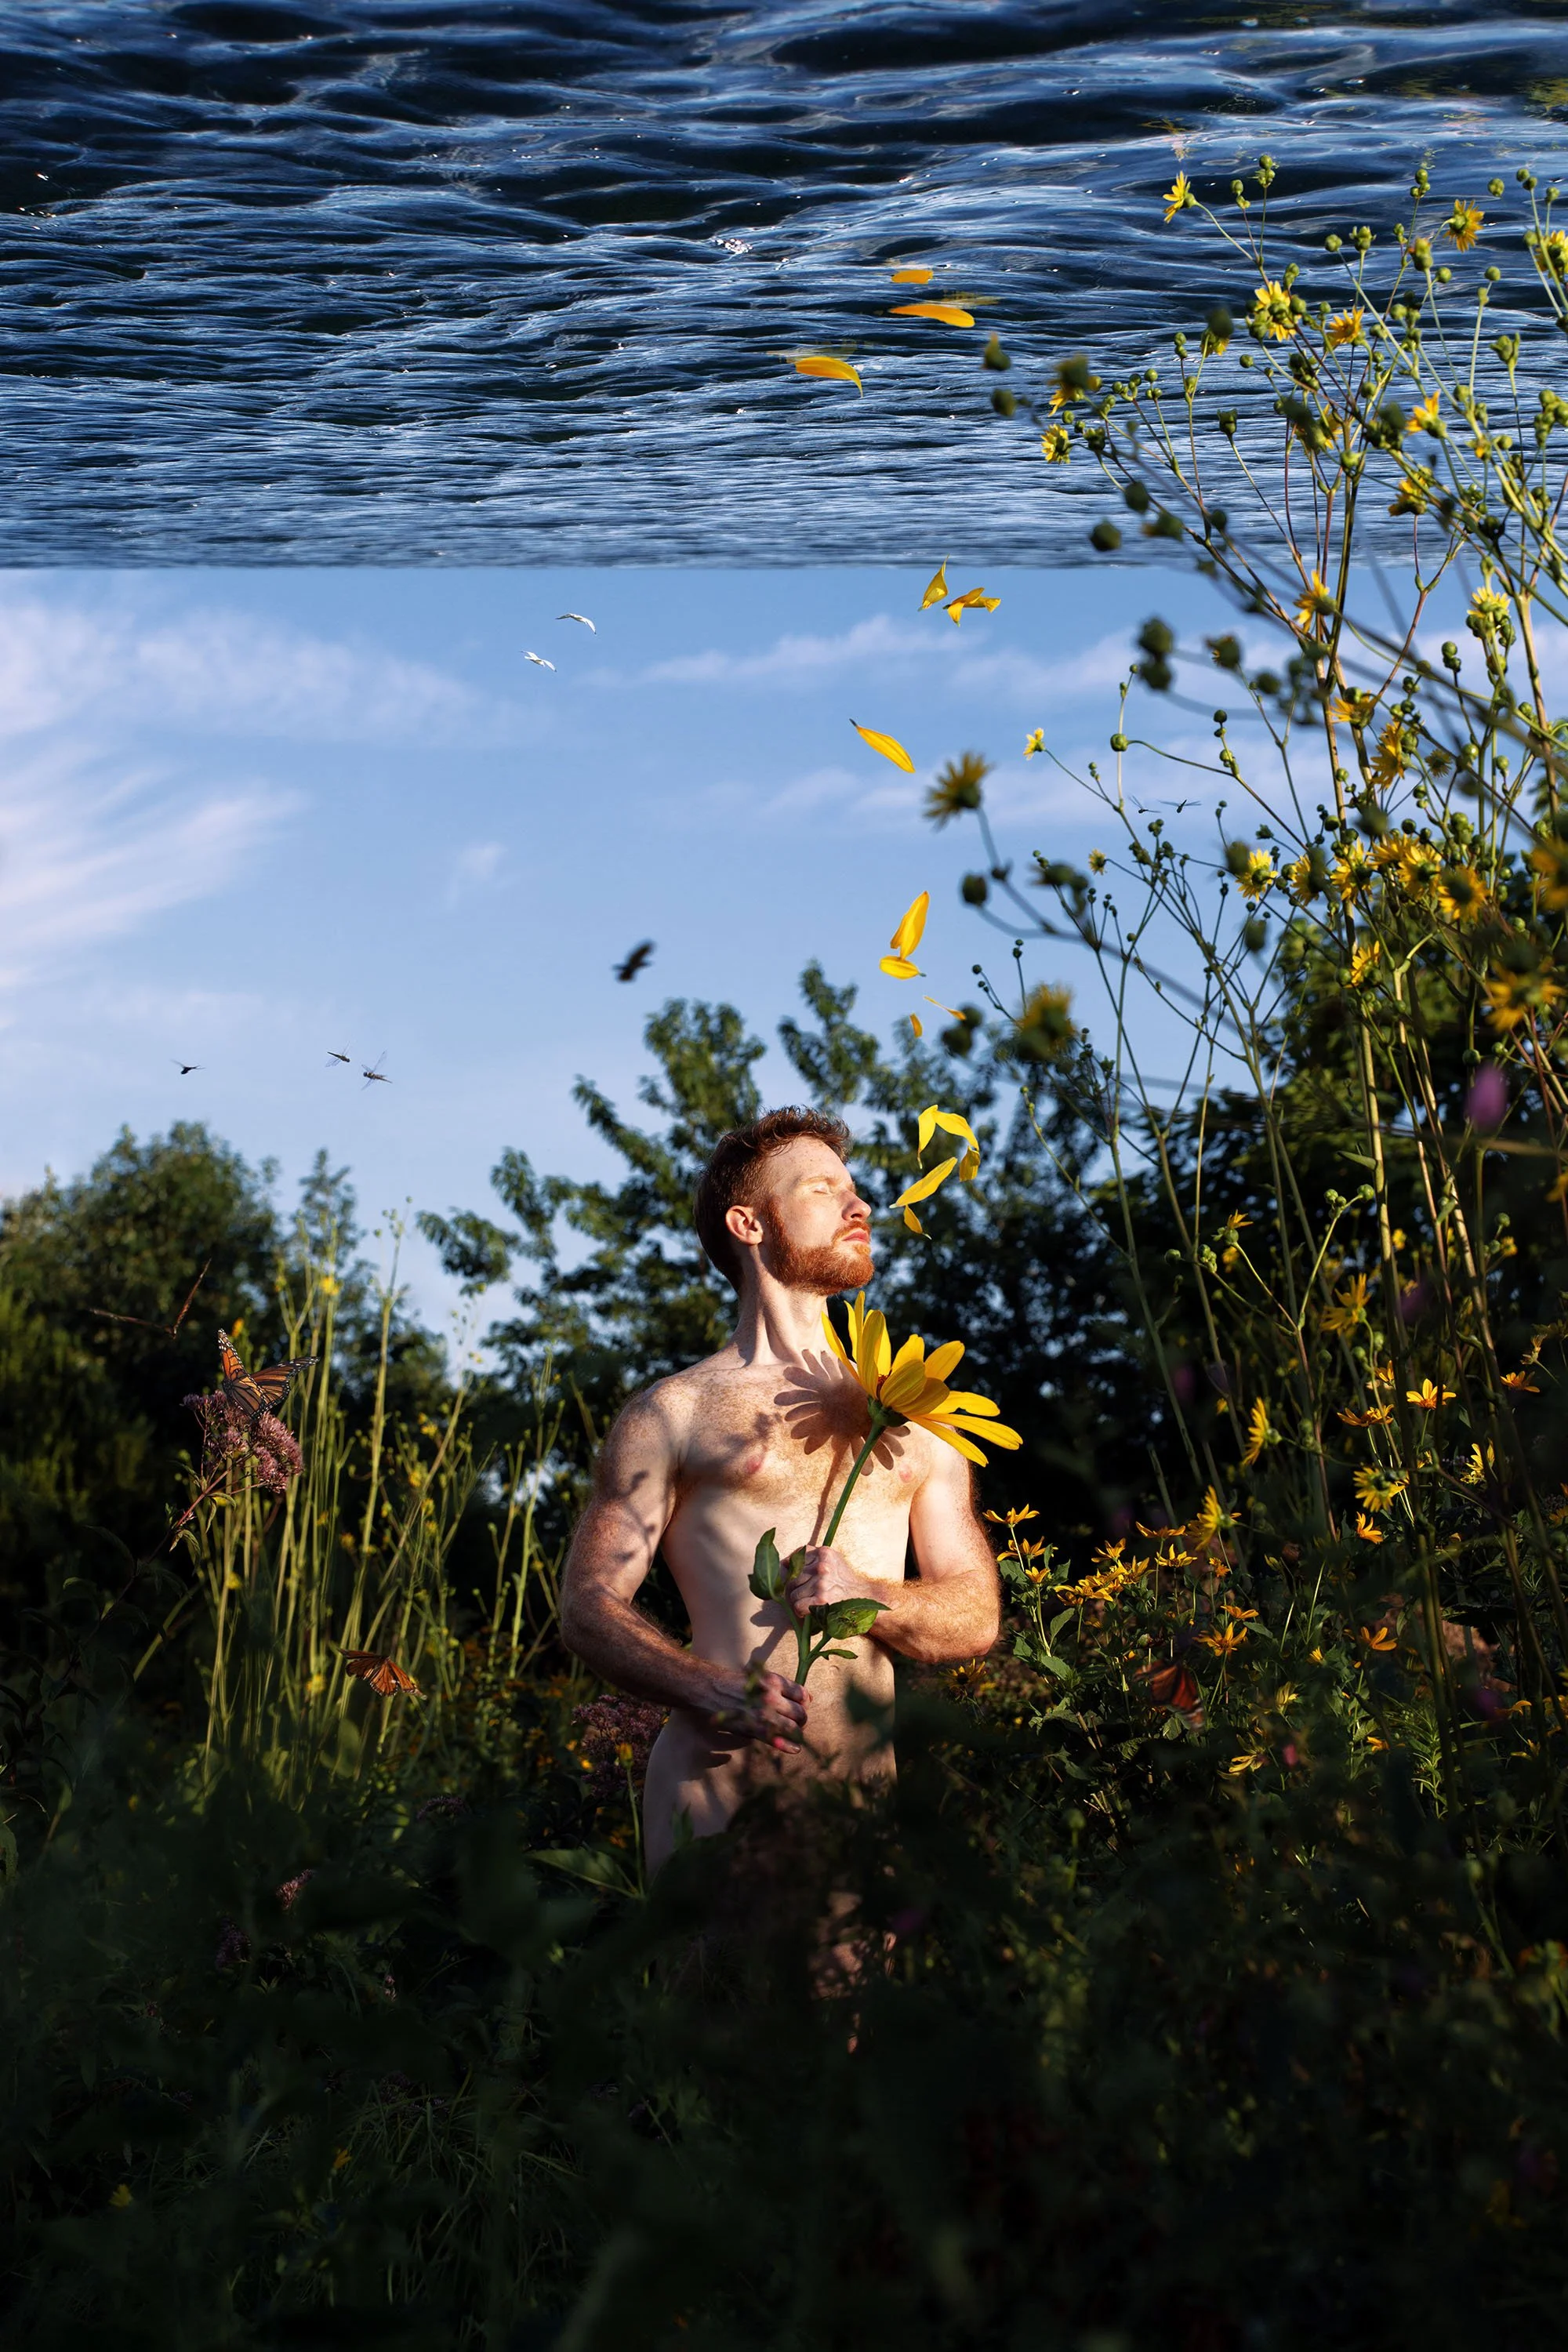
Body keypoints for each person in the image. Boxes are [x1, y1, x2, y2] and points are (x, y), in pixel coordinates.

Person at [560, 1106, 1001, 1875]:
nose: (858, 1207)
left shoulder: (915, 1412)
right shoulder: (674, 1412)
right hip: (713, 1800)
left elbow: (975, 1614)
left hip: (860, 1816)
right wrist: (708, 1687)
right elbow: (587, 1606)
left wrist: (867, 1591)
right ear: (749, 1223)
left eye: (855, 1191)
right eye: (822, 1189)